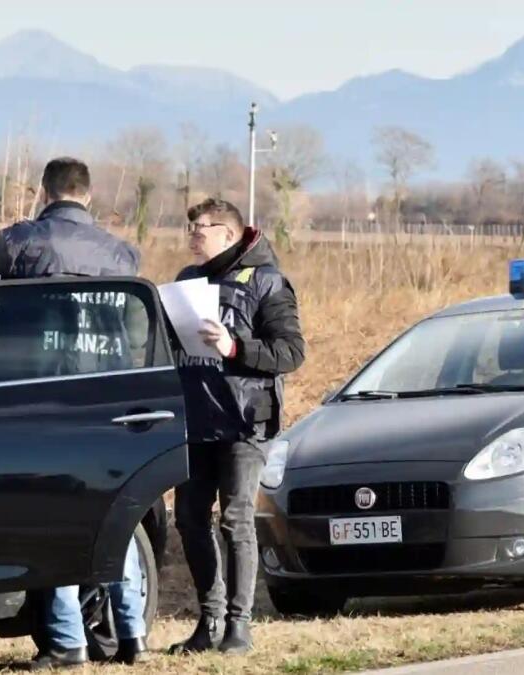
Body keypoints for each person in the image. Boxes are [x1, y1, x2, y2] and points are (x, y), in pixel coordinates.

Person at [0, 156, 150, 668]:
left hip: (49, 402)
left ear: (45, 193)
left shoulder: (24, 243)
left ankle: (67, 642)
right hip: (109, 403)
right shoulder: (123, 255)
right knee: (113, 519)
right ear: (88, 195)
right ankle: (133, 635)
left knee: (54, 520)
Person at [169, 198, 306, 656]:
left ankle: (238, 625)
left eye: (200, 227)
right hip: (195, 420)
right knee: (190, 519)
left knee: (235, 519)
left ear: (228, 233)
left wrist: (235, 348)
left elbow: (291, 352)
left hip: (245, 422)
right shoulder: (187, 281)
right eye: (190, 226)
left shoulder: (267, 281)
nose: (192, 234)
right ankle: (208, 620)